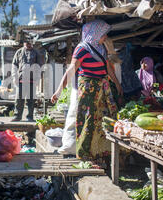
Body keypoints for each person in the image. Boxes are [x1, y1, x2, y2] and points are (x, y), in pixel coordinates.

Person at [51, 20, 122, 162]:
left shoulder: (102, 48)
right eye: (103, 34)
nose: (105, 37)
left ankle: (101, 153)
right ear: (94, 34)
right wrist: (59, 90)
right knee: (87, 120)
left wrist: (117, 84)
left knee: (104, 119)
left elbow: (107, 67)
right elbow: (71, 70)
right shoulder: (81, 49)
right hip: (88, 89)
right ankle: (84, 155)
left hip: (102, 87)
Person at [11, 41, 44, 122]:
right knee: (19, 99)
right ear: (24, 43)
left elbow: (40, 66)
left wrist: (38, 79)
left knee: (31, 100)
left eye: (29, 43)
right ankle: (17, 116)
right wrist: (14, 77)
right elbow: (14, 65)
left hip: (32, 80)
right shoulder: (19, 52)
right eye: (26, 43)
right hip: (21, 79)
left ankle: (30, 117)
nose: (28, 44)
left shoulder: (36, 52)